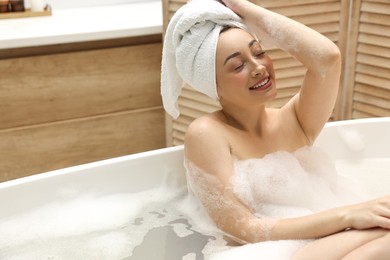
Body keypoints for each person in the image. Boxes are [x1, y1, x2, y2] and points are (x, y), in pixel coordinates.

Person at [161, 0, 390, 258]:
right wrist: (349, 214)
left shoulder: (294, 121)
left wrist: (244, 9)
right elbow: (244, 229)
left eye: (258, 52)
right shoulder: (207, 133)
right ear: (214, 86)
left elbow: (327, 58)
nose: (258, 68)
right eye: (238, 66)